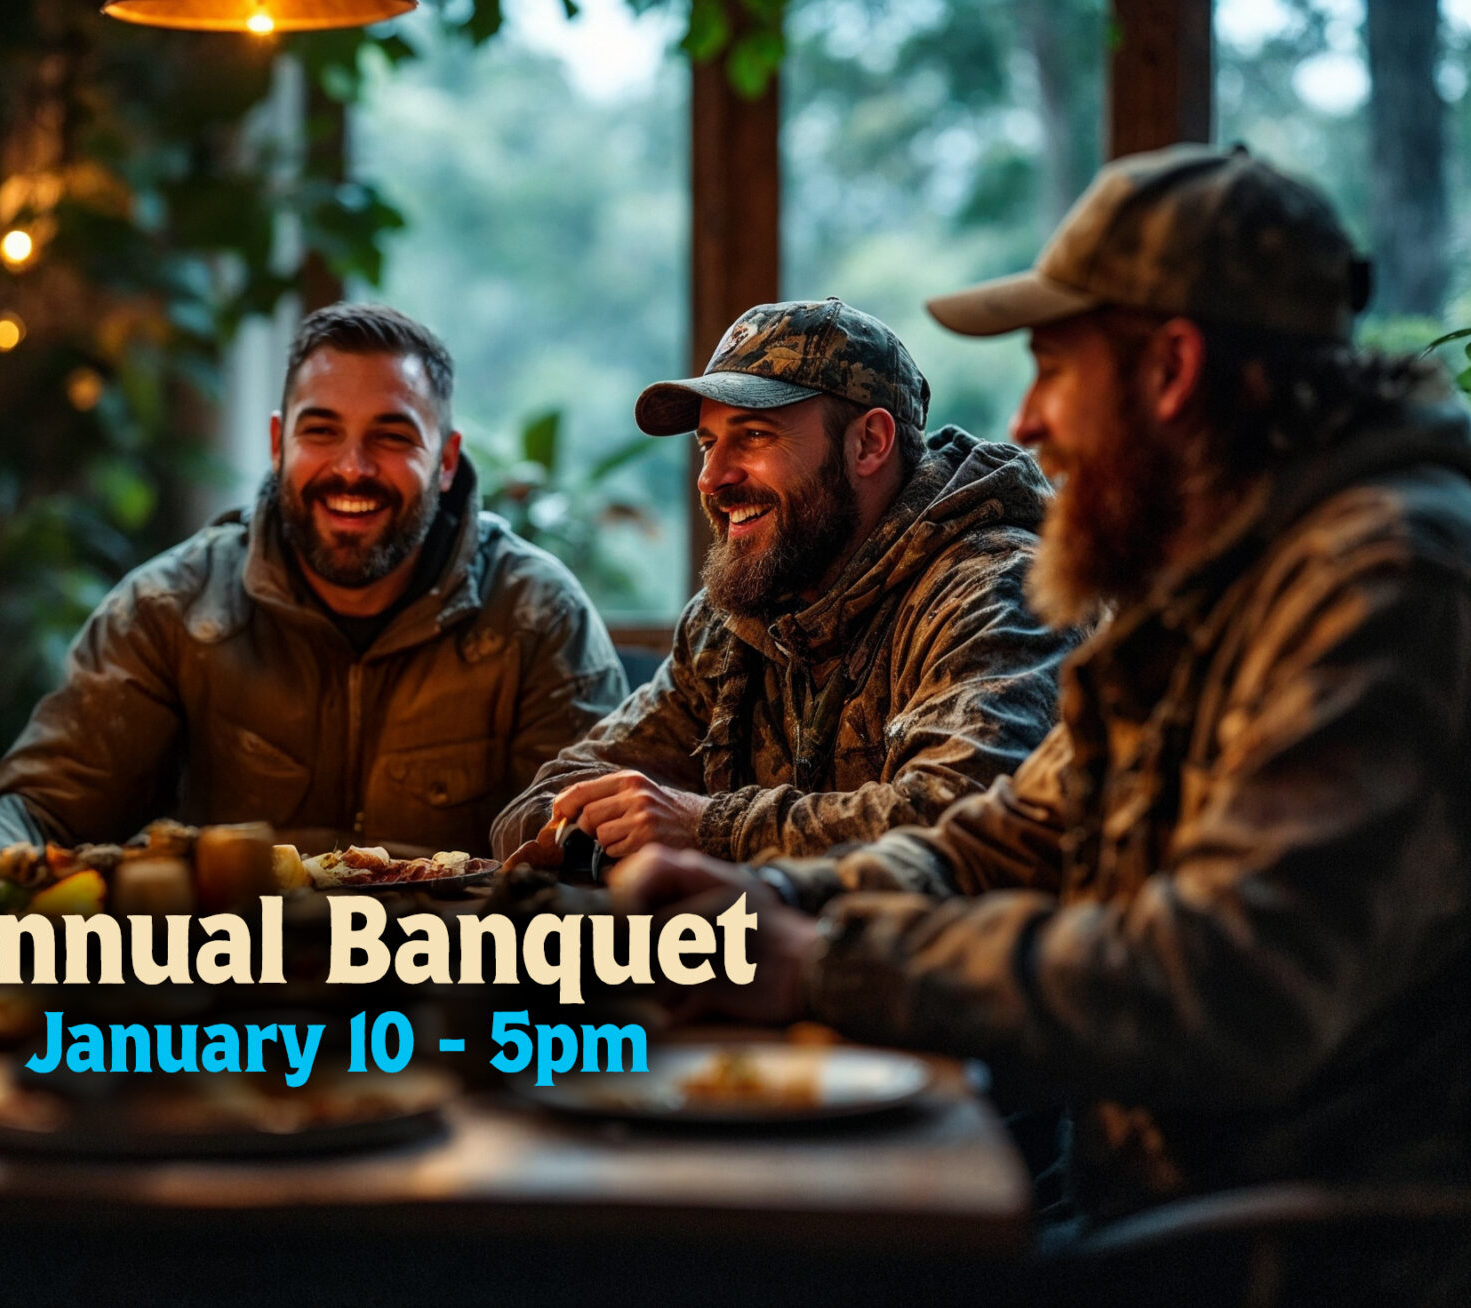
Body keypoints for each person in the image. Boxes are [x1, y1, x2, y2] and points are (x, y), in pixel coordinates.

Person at [615, 145, 1471, 1241]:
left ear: (1170, 371)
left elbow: (1225, 979)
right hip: (1140, 1203)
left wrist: (823, 961)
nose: (1024, 422)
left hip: (1294, 1256)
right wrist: (777, 905)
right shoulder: (1205, 585)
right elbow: (1009, 836)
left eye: (1055, 369)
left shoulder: (1382, 581)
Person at [0, 303, 623, 856]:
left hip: (459, 990)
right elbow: (40, 814)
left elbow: (582, 848)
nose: (352, 468)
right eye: (322, 432)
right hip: (222, 991)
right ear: (278, 443)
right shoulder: (166, 610)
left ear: (447, 460)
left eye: (392, 437)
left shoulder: (542, 617)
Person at [493, 300, 1074, 870]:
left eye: (753, 436)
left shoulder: (996, 591)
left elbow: (963, 824)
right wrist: (592, 830)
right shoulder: (731, 617)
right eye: (707, 442)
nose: (712, 478)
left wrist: (704, 828)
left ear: (869, 443)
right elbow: (548, 798)